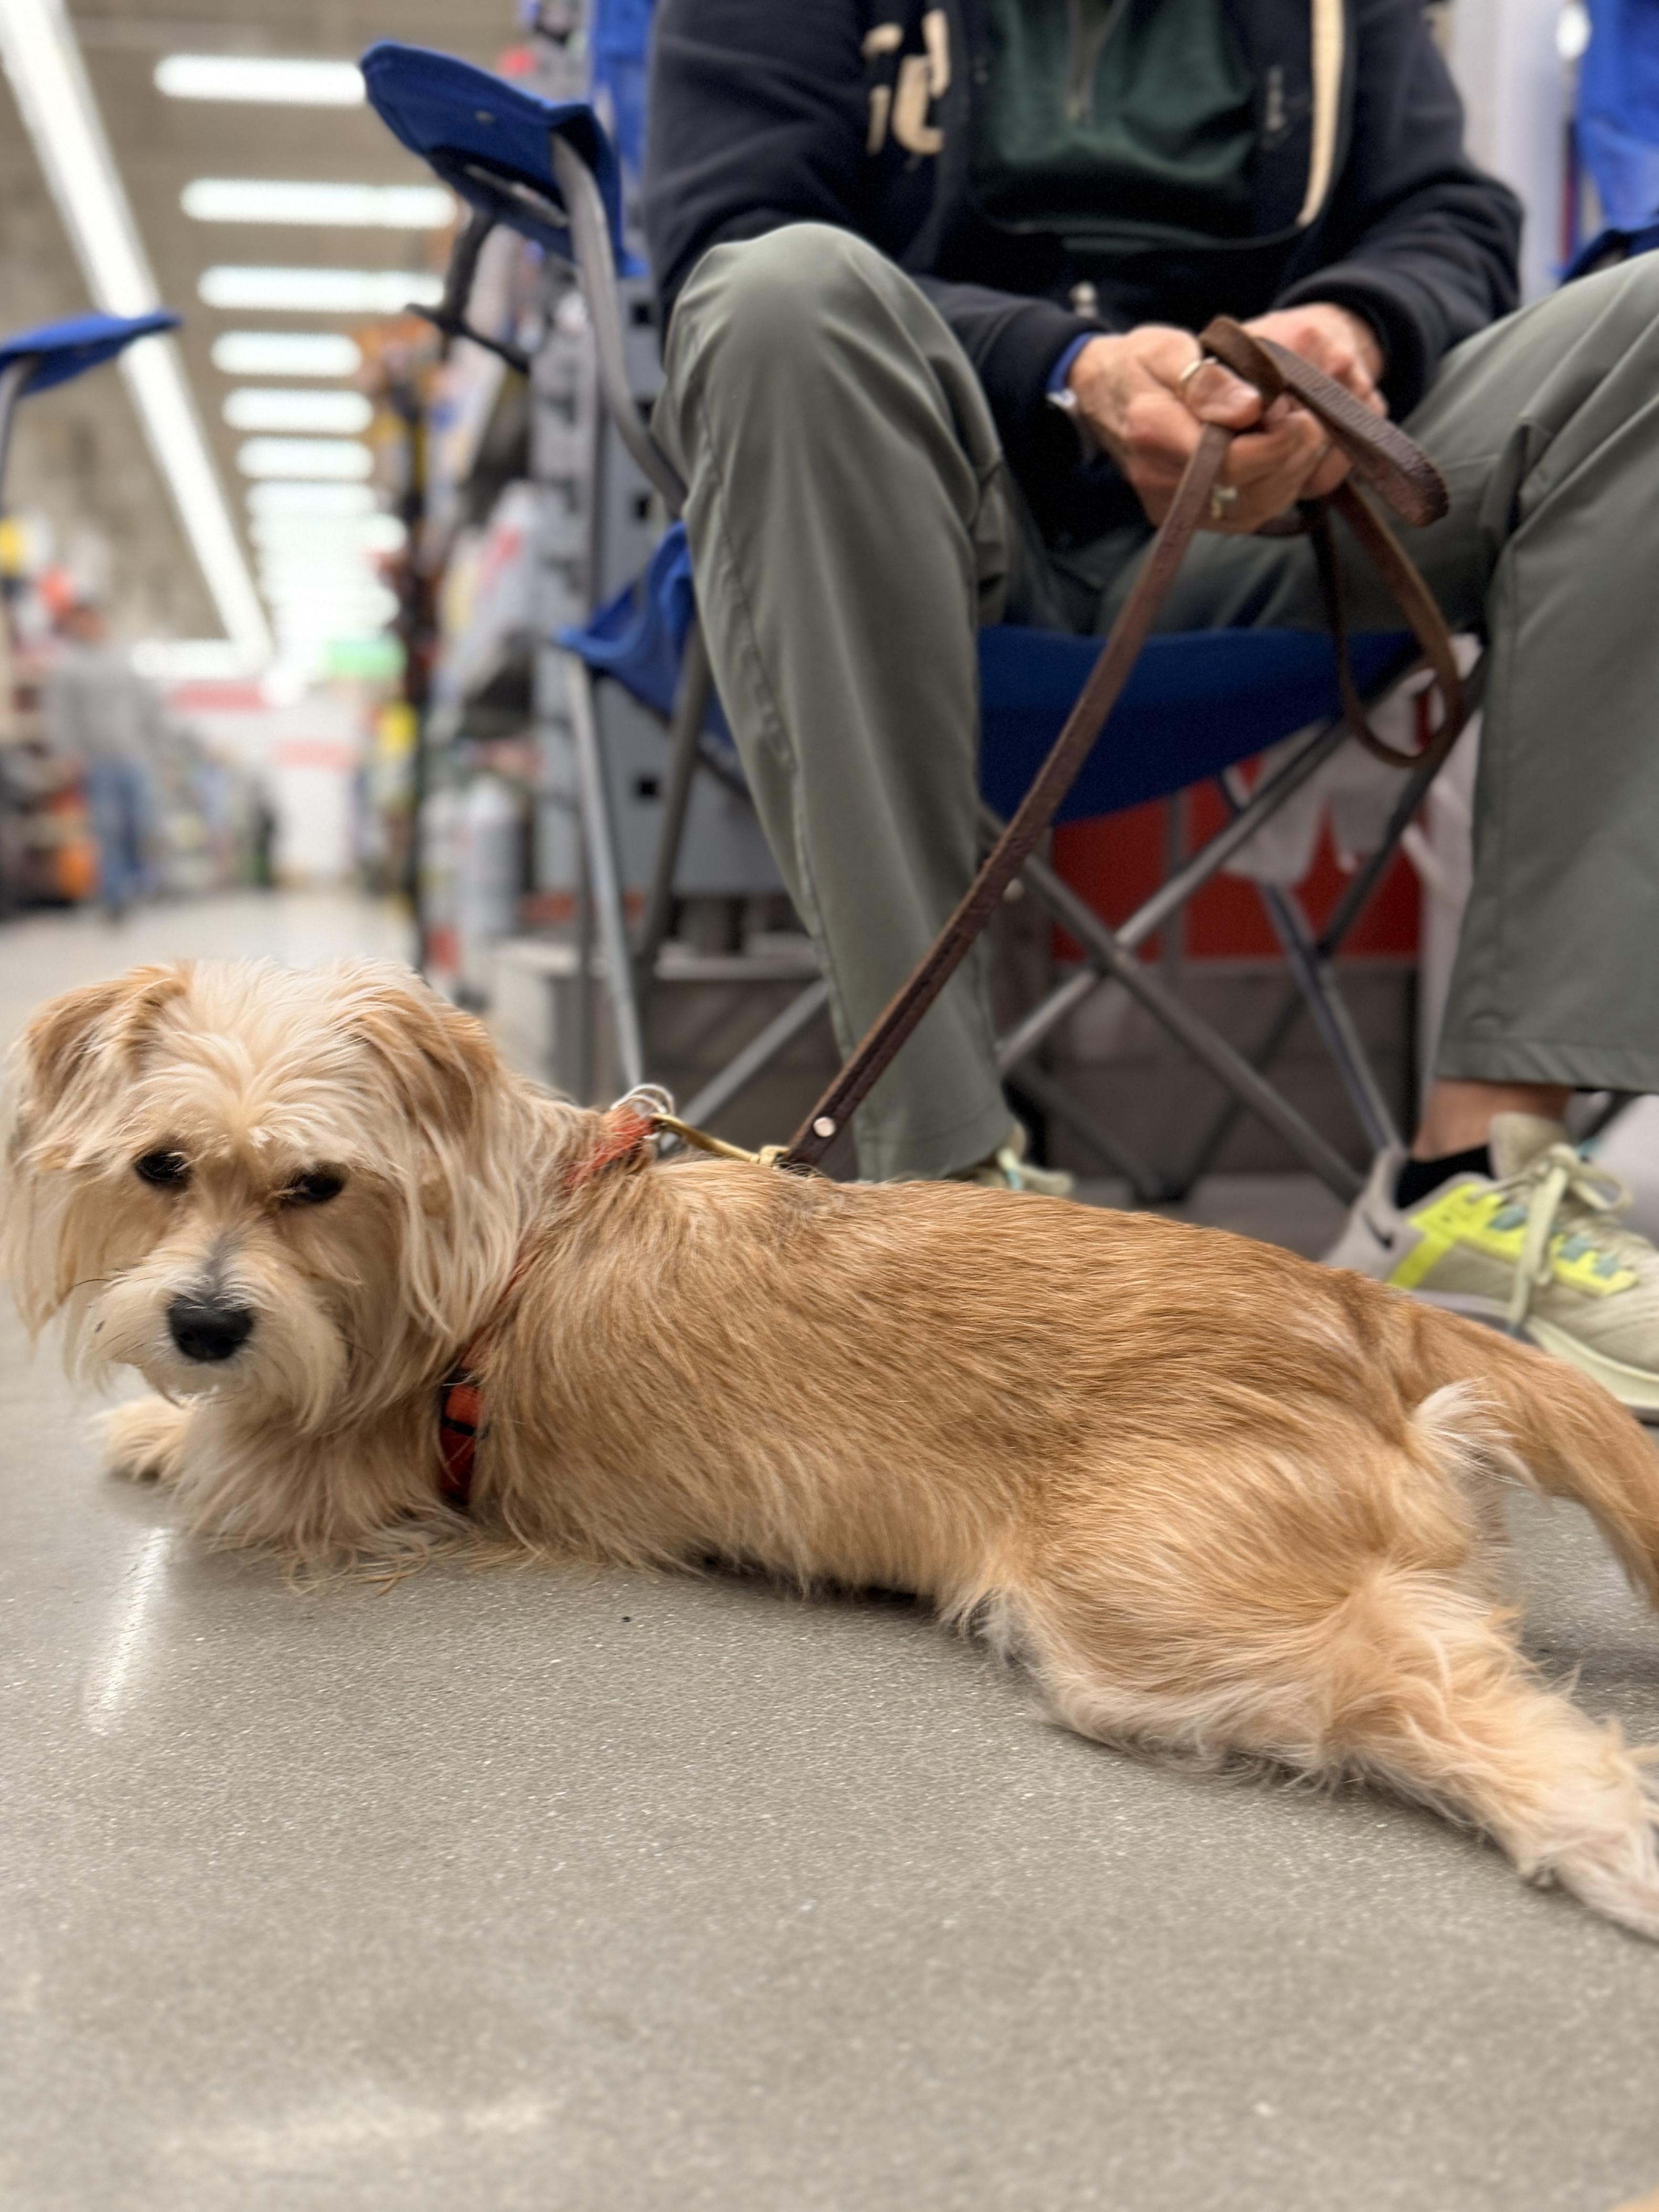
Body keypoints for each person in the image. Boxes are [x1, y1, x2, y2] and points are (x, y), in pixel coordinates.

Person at [641, 0, 1659, 1411]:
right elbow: (717, 247)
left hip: (1275, 522)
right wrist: (1071, 374)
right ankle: (942, 1193)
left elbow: (1449, 219)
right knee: (779, 293)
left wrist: (1347, 331)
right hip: (919, 518)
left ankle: (1478, 1173)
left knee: (1650, 328)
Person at [45, 600, 164, 921]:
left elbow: (149, 706)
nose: (85, 628)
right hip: (97, 762)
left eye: (89, 621)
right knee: (107, 830)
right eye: (78, 624)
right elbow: (61, 717)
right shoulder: (68, 667)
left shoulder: (124, 660)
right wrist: (68, 754)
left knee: (141, 826)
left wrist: (155, 747)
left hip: (134, 757)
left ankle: (143, 885)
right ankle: (115, 896)